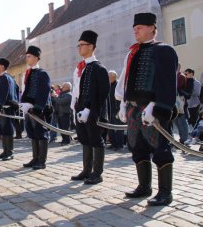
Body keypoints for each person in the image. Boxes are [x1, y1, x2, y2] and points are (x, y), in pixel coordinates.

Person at [116, 12, 178, 206]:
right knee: (138, 149)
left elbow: (167, 83)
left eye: (140, 27)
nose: (136, 31)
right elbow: (125, 81)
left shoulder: (164, 50)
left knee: (161, 149)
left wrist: (156, 106)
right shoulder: (132, 52)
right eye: (134, 28)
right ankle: (144, 187)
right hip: (134, 110)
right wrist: (123, 103)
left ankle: (165, 192)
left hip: (152, 109)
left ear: (152, 27)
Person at [70, 30, 110, 184]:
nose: (79, 48)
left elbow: (102, 93)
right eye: (78, 45)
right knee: (84, 139)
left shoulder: (99, 68)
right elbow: (76, 90)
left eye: (82, 45)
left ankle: (97, 172)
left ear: (91, 46)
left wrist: (89, 109)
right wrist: (75, 108)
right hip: (80, 108)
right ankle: (86, 170)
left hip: (93, 111)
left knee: (96, 140)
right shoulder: (79, 68)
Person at [20, 46, 51, 170]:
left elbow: (44, 91)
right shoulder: (27, 73)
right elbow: (26, 91)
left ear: (37, 58)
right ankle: (35, 158)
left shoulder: (42, 73)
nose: (27, 58)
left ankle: (41, 161)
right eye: (26, 56)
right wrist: (23, 103)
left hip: (38, 109)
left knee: (41, 133)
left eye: (29, 56)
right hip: (28, 108)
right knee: (32, 133)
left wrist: (37, 106)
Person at [0, 58, 18, 161]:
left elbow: (3, 93)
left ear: (2, 66)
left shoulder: (5, 78)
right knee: (3, 130)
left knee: (8, 130)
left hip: (6, 108)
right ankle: (5, 151)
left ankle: (10, 152)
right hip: (3, 108)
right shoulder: (4, 77)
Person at [107, 71, 125, 150]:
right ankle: (113, 144)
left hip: (117, 110)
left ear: (114, 77)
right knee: (110, 128)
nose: (108, 78)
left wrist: (120, 110)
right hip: (110, 111)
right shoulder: (108, 86)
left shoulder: (118, 86)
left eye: (109, 77)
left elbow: (121, 99)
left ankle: (119, 145)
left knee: (118, 129)